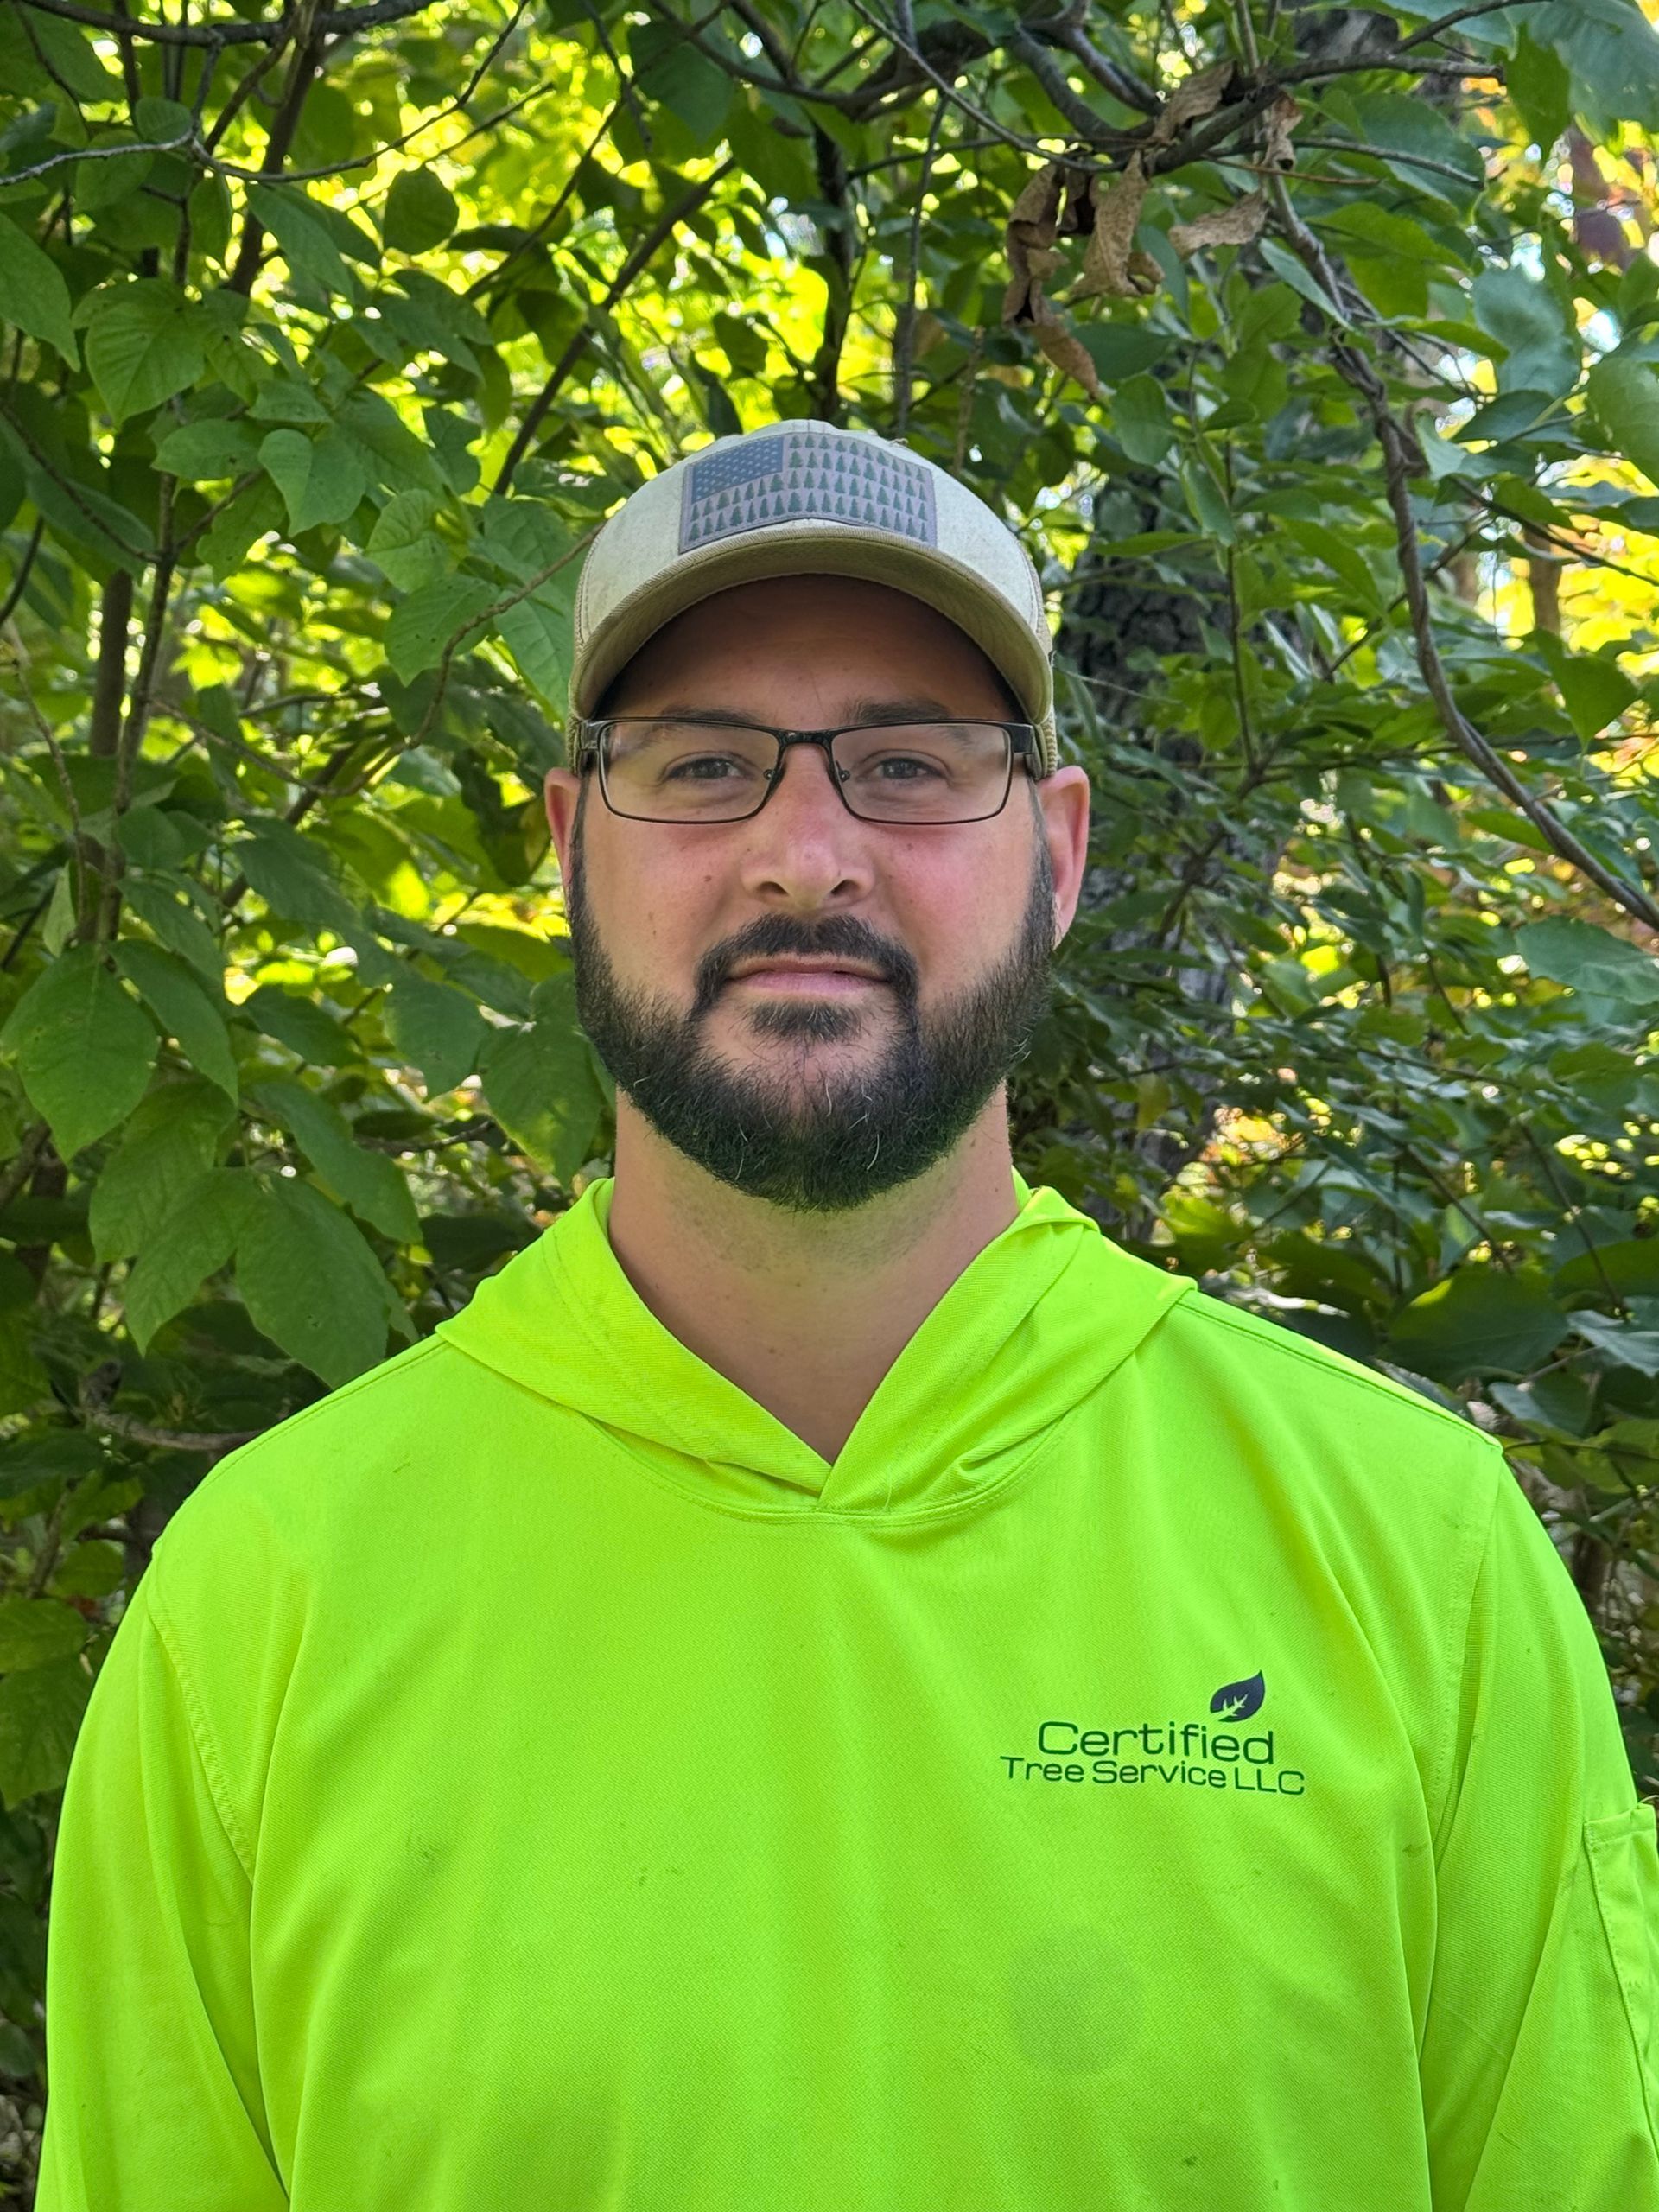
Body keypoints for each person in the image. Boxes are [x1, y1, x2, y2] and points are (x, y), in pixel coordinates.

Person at [37, 420, 1659, 2210]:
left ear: (1059, 846)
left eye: (903, 763)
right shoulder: (263, 1597)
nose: (805, 853)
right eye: (706, 762)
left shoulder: (1415, 1554)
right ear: (571, 840)